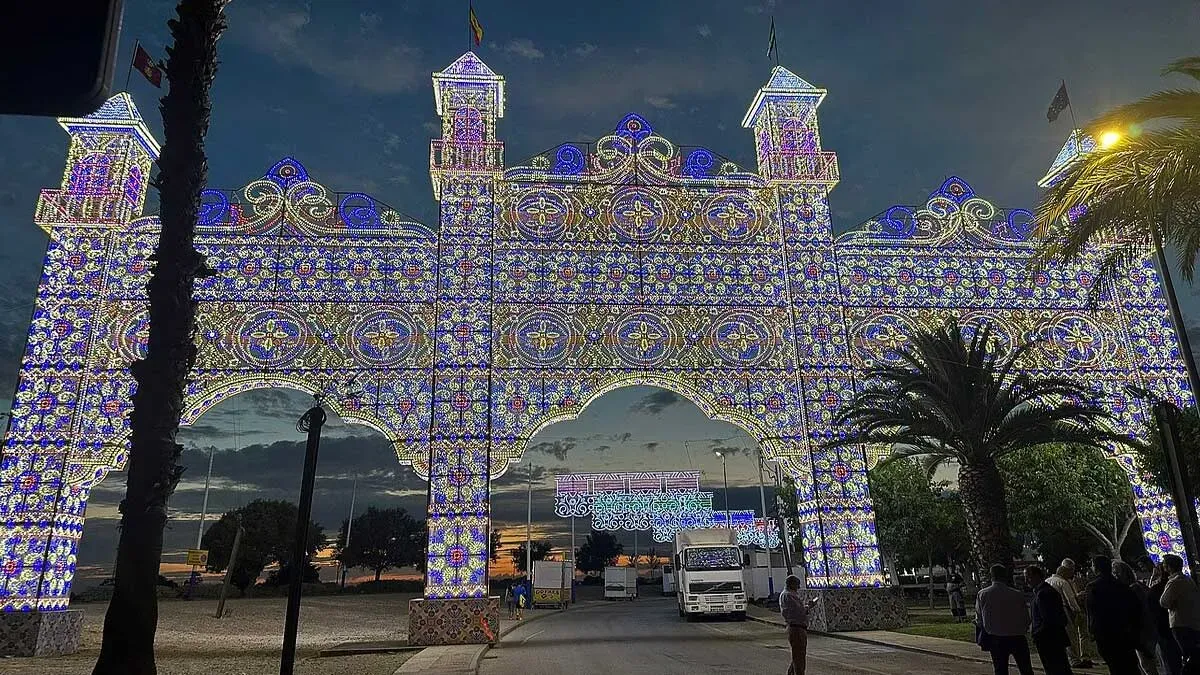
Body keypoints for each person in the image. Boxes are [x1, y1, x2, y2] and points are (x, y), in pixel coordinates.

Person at [1086, 556, 1142, 675]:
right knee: (1129, 665)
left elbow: (1093, 610)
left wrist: (1092, 630)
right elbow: (1134, 609)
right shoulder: (1122, 585)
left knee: (1114, 665)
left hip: (1105, 633)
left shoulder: (1093, 587)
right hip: (1124, 631)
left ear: (1096, 568)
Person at [976, 564, 1035, 675]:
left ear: (991, 576)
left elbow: (979, 618)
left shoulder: (983, 594)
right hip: (1017, 636)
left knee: (1000, 670)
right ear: (1005, 576)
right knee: (1026, 669)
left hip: (996, 637)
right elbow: (1026, 618)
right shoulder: (1017, 594)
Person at [1113, 560, 1159, 675]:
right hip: (1143, 629)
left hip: (1142, 630)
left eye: (1117, 572)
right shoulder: (1136, 586)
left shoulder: (1134, 588)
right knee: (1145, 663)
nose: (1115, 576)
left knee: (1146, 663)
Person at [1026, 565, 1074, 675]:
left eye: (1028, 577)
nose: (1026, 581)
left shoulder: (1043, 593)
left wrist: (1037, 634)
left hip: (1048, 640)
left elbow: (1048, 619)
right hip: (1052, 638)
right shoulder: (1044, 591)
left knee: (1054, 668)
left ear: (1036, 576)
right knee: (1060, 667)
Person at [1049, 561, 1094, 668]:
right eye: (1071, 570)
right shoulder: (1063, 582)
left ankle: (1068, 658)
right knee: (1072, 635)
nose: (1072, 573)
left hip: (1053, 611)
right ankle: (1076, 660)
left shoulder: (1048, 581)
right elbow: (1070, 600)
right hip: (1067, 610)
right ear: (1064, 571)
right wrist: (1078, 610)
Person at [1159, 554, 1200, 670]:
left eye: (1164, 565)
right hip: (1193, 621)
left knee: (1187, 654)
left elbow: (1163, 602)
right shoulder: (1188, 580)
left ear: (1169, 567)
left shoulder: (1174, 582)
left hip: (1180, 622)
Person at [1149, 562, 1185, 675]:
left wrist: (1152, 579)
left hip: (1164, 627)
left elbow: (1161, 602)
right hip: (1177, 624)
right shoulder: (1183, 582)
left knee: (1169, 660)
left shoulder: (1162, 586)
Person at [779, 574, 818, 675]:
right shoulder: (789, 595)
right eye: (797, 584)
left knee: (797, 656)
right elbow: (799, 611)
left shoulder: (787, 595)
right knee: (799, 658)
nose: (799, 587)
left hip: (796, 627)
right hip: (796, 628)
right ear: (792, 584)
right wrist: (809, 606)